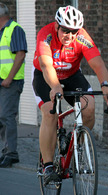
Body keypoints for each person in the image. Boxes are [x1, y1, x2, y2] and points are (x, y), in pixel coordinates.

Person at [32, 5, 108, 184]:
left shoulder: (82, 37)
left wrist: (105, 85)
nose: (69, 35)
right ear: (56, 26)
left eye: (73, 31)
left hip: (71, 75)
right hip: (45, 76)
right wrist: (55, 87)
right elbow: (47, 66)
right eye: (65, 30)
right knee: (50, 113)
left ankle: (77, 143)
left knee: (89, 107)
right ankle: (48, 166)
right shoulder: (45, 35)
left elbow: (98, 63)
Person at [0, 3, 27, 167]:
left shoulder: (15, 29)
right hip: (2, 79)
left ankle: (11, 153)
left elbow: (20, 55)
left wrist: (9, 78)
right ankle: (5, 152)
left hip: (11, 81)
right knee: (1, 117)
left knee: (7, 116)